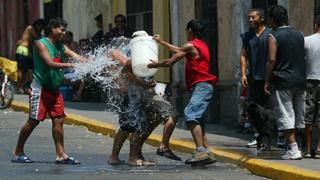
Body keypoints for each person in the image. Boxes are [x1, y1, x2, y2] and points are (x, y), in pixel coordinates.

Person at [12, 17, 87, 164]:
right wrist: (71, 66)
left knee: (58, 120)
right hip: (40, 89)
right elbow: (50, 63)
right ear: (53, 28)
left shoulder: (60, 46)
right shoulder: (41, 44)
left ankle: (61, 155)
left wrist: (91, 62)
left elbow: (75, 56)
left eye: (65, 29)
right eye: (61, 29)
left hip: (54, 89)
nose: (64, 32)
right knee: (33, 121)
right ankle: (18, 151)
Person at [148, 19, 217, 165]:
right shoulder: (201, 45)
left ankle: (200, 151)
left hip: (202, 86)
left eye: (186, 30)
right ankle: (207, 152)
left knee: (191, 115)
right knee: (199, 121)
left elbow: (170, 62)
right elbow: (179, 50)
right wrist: (161, 42)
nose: (186, 32)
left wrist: (155, 65)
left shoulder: (191, 45)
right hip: (205, 86)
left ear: (190, 30)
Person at [108, 50, 180, 166]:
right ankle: (131, 157)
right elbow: (127, 70)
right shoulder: (124, 55)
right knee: (133, 126)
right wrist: (145, 83)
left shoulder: (132, 55)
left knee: (128, 126)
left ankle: (117, 157)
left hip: (133, 95)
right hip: (130, 96)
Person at [264, 5, 306, 160]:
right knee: (298, 115)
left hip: (283, 81)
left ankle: (294, 149)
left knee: (286, 115)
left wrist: (267, 80)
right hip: (300, 80)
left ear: (273, 19)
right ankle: (298, 147)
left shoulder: (273, 36)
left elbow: (272, 59)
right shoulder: (299, 34)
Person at [240, 8, 284, 148]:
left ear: (262, 18)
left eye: (253, 17)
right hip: (253, 77)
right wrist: (243, 73)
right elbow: (243, 55)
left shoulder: (271, 33)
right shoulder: (247, 36)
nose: (250, 20)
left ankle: (278, 136)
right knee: (254, 109)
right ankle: (257, 136)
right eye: (249, 18)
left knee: (271, 108)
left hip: (269, 77)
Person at [303, 15, 320, 159]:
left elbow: (302, 61)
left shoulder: (306, 40)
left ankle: (308, 149)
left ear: (315, 25)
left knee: (308, 115)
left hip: (310, 81)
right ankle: (319, 148)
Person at [15, 19, 46, 94]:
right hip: (22, 50)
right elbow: (38, 38)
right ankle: (18, 87)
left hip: (28, 52)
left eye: (42, 28)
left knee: (29, 71)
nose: (41, 29)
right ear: (36, 25)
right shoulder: (30, 28)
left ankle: (23, 86)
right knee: (22, 70)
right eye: (40, 27)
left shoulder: (36, 32)